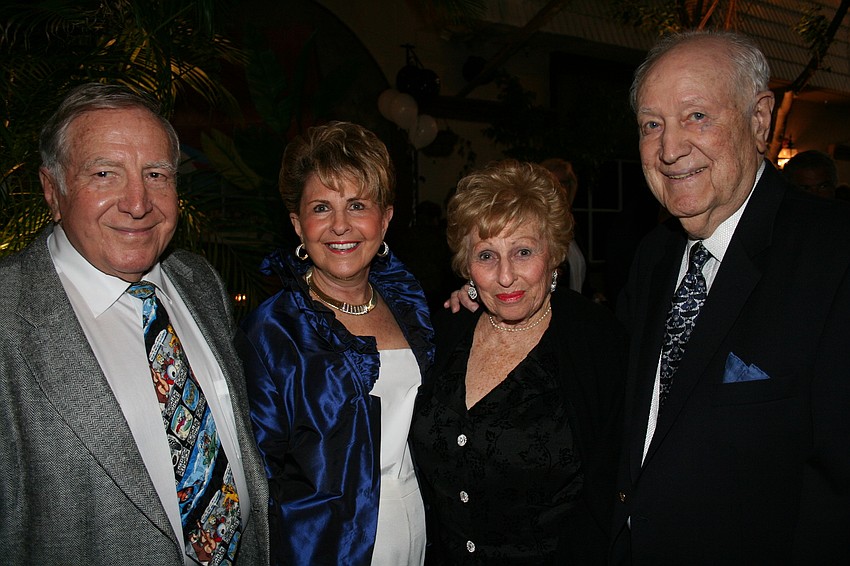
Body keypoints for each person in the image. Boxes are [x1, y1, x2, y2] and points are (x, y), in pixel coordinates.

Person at [0, 83, 269, 565]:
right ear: (52, 190)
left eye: (156, 175)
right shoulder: (8, 315)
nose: (138, 202)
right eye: (105, 173)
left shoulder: (198, 282)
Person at [611, 30, 850, 564]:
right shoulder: (653, 257)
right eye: (652, 125)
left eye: (696, 116)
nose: (670, 149)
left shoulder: (834, 255)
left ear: (759, 119)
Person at [234, 122, 434, 566]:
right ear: (297, 225)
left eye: (357, 205)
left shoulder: (409, 304)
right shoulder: (271, 333)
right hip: (327, 547)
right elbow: (256, 482)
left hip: (418, 525)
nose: (340, 226)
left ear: (385, 218)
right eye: (321, 207)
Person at [412, 160, 627, 564]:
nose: (505, 276)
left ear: (554, 254)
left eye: (523, 251)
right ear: (466, 265)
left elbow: (618, 491)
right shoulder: (445, 332)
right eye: (487, 255)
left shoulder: (598, 345)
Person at [540, 157, 587, 294]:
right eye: (554, 183)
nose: (561, 188)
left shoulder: (573, 226)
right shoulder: (536, 228)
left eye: (564, 182)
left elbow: (579, 274)